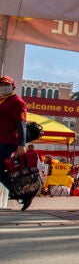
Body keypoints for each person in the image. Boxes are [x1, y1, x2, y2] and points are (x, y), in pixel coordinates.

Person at [0, 75, 33, 211]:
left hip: (8, 141)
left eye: (6, 85)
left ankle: (20, 193)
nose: (3, 88)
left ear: (12, 87)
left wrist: (21, 144)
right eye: (1, 85)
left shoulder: (17, 102)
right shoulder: (2, 101)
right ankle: (20, 193)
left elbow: (21, 124)